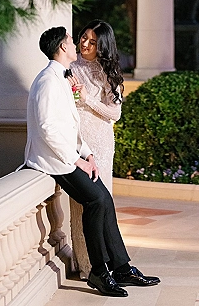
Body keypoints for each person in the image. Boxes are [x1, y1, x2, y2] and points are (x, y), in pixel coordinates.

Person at [24, 25, 160, 297]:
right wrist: (77, 159)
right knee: (97, 201)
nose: (79, 44)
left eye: (88, 41)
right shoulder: (49, 81)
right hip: (56, 159)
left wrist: (87, 154)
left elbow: (71, 125)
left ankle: (120, 267)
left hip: (73, 154)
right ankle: (98, 270)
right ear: (63, 47)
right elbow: (49, 129)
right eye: (75, 40)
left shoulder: (60, 76)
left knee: (104, 200)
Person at [66, 20, 123, 277]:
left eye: (92, 41)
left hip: (102, 140)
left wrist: (89, 101)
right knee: (82, 205)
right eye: (84, 38)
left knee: (104, 201)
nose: (85, 44)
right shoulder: (69, 67)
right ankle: (87, 265)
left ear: (103, 45)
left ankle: (108, 263)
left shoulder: (109, 72)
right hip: (79, 140)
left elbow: (115, 113)